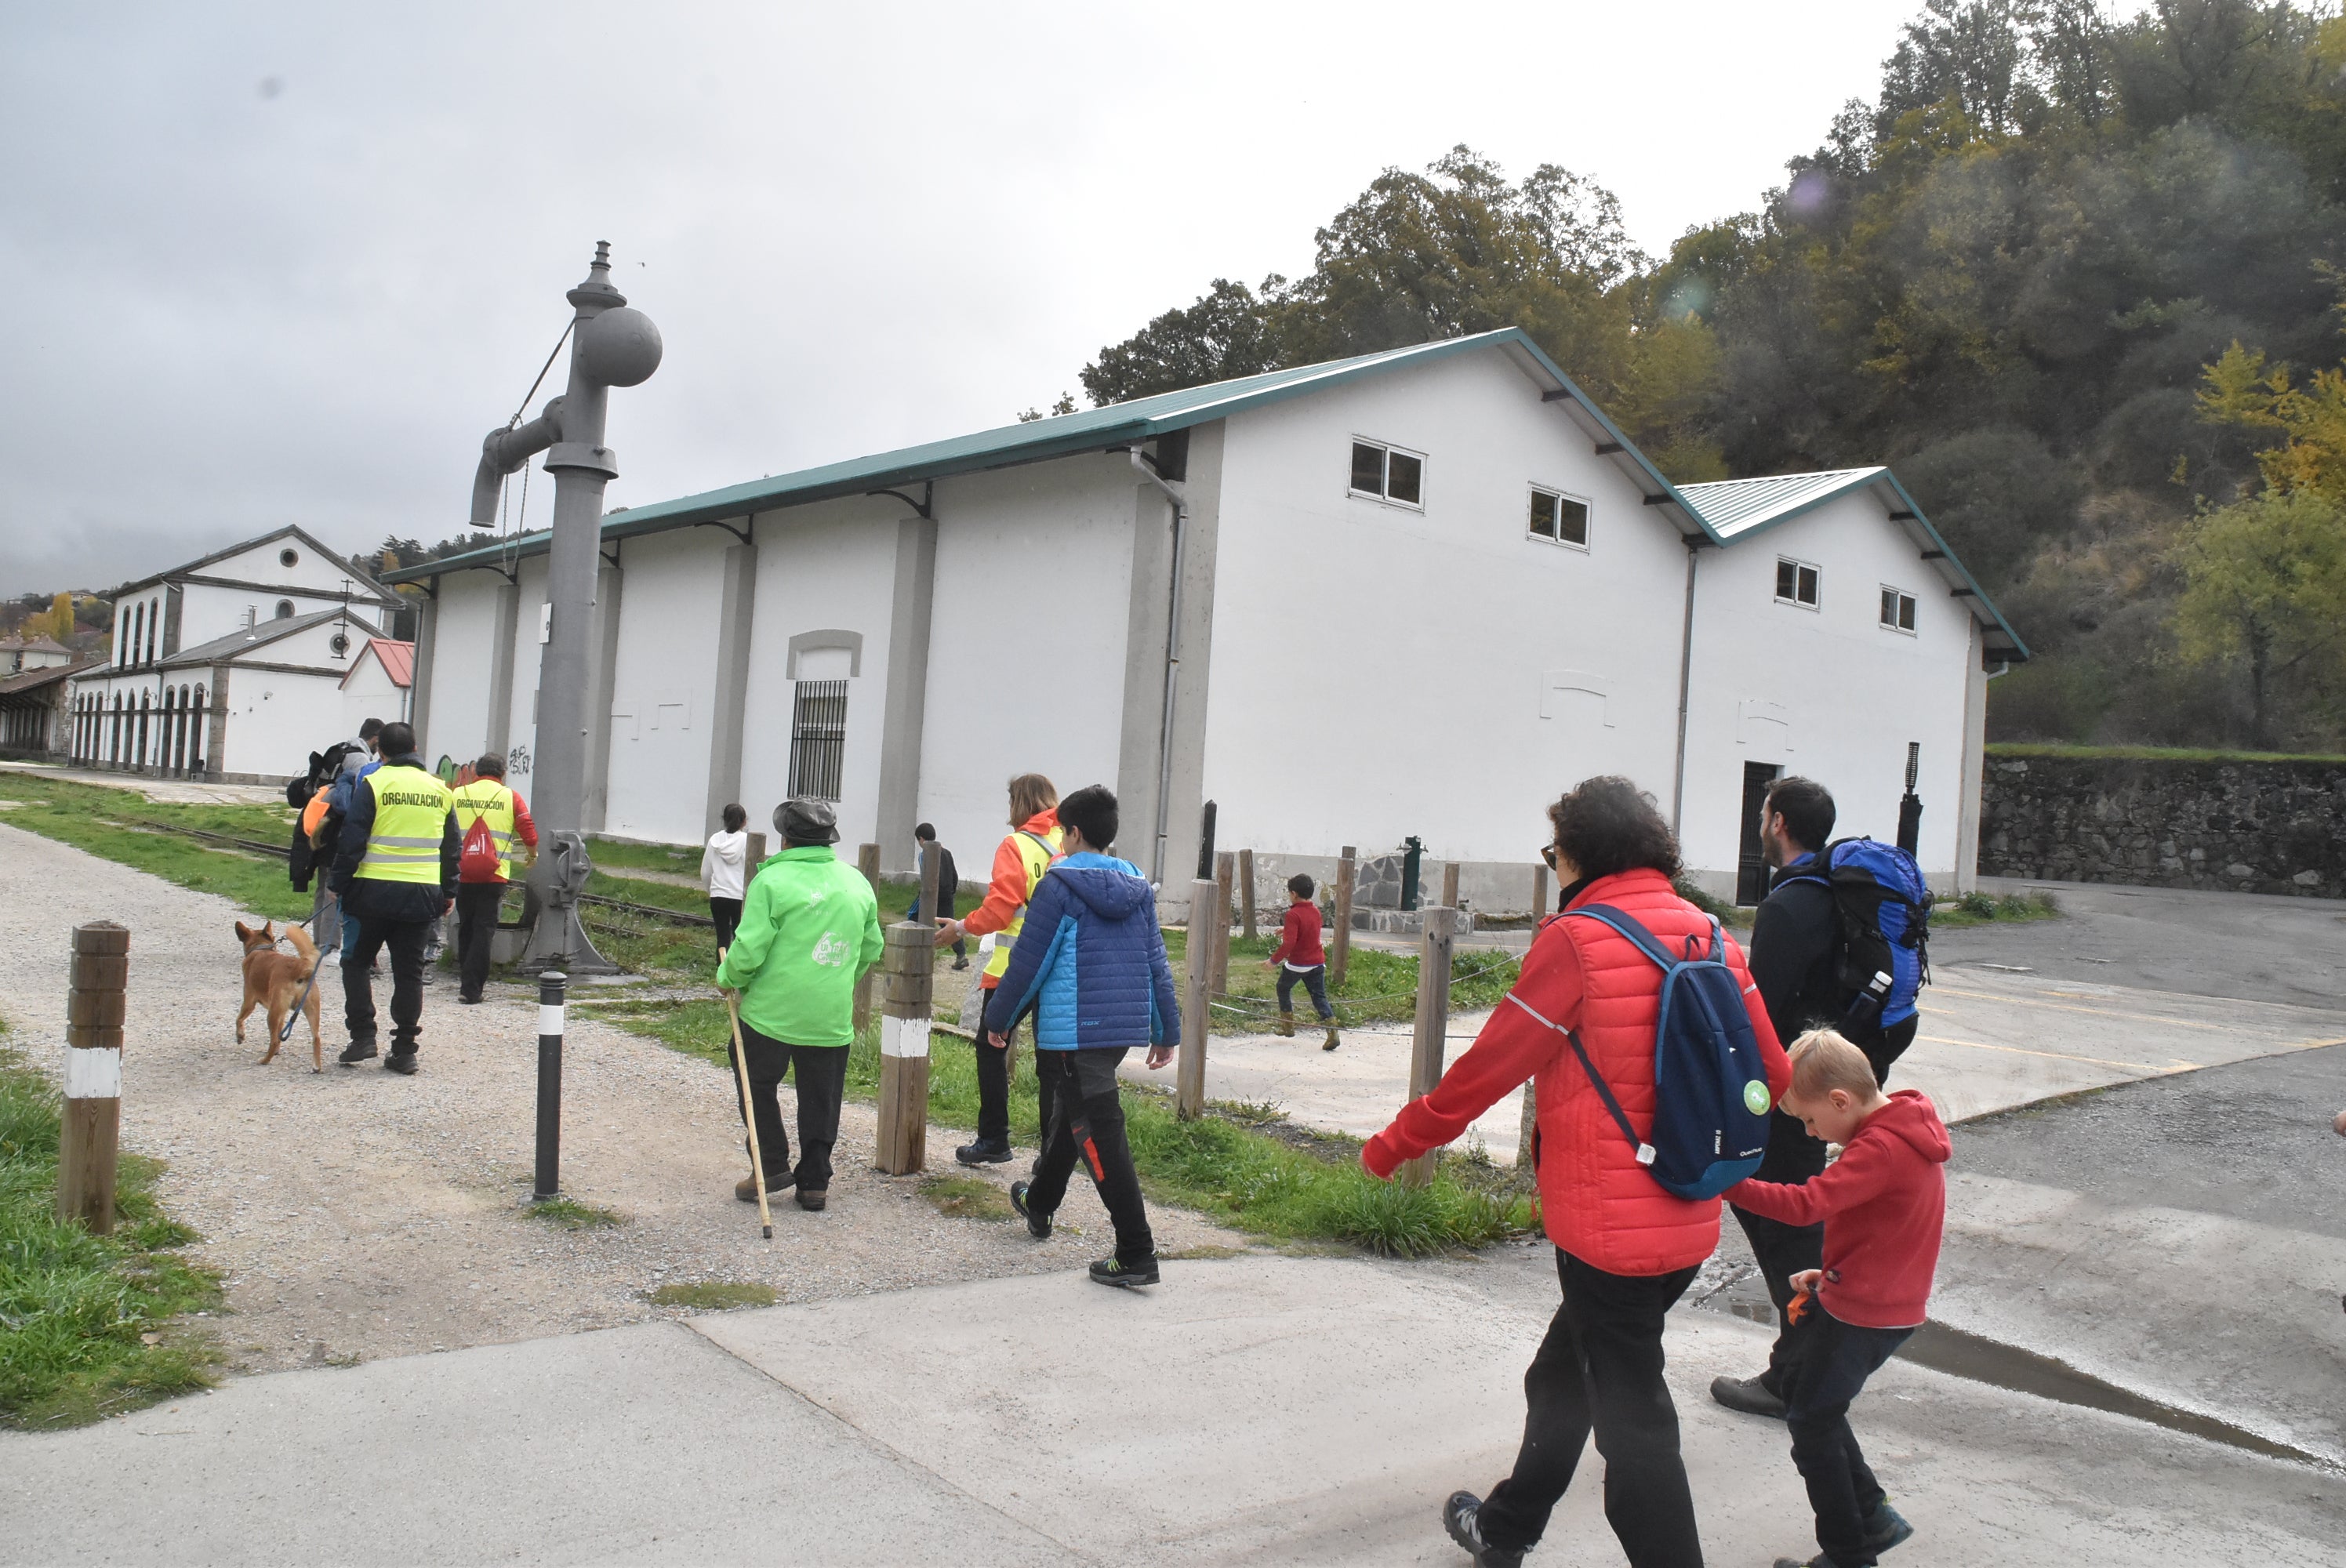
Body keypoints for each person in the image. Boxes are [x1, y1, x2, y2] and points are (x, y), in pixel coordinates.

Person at [1363, 776, 1789, 1568]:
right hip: (1688, 1213)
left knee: (1636, 1430)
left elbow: (1485, 1071)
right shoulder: (1711, 934)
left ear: (1579, 854)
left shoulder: (1576, 939)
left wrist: (1394, 1142)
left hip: (1605, 1233)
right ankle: (1505, 1526)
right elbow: (1774, 1072)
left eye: (1552, 851)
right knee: (1564, 1371)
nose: (1552, 864)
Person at [1714, 775, 1922, 1422]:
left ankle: (1797, 1375)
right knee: (1793, 1220)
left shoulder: (1790, 905)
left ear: (1776, 823)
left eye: (1764, 814)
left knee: (1786, 1224)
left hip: (1793, 1093)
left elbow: (1759, 1013)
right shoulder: (1839, 898)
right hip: (1842, 1084)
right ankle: (1808, 1359)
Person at [1727, 1030, 1949, 1568]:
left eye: (1808, 1121)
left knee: (1810, 1421)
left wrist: (1725, 1185)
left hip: (1866, 1314)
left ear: (1840, 1101)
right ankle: (1870, 1517)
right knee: (1815, 1403)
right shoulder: (1903, 1123)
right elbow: (1884, 1230)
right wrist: (1829, 1274)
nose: (1810, 1132)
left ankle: (1850, 1553)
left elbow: (1809, 1204)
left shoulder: (1879, 1147)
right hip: (1874, 1299)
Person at [992, 785, 1179, 1288]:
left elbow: (1029, 963)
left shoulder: (1060, 886)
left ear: (1074, 832)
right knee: (1070, 1117)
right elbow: (1156, 963)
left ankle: (1136, 1250)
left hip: (1074, 1033)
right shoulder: (1138, 886)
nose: (1061, 841)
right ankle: (1040, 1201)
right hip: (1117, 1031)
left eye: (1062, 833)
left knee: (1097, 1129)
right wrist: (1166, 1030)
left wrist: (999, 1020)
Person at [713, 797, 883, 1213]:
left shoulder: (770, 883)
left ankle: (770, 1164)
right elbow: (871, 946)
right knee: (821, 1096)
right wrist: (838, 977)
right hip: (829, 1014)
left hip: (770, 1013)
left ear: (785, 839)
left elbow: (749, 950)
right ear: (829, 839)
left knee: (755, 1080)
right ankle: (814, 1183)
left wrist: (728, 978)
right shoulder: (856, 883)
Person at [933, 773, 1062, 1166]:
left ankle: (994, 1139)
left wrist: (960, 927)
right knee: (1052, 1061)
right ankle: (1051, 1154)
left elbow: (1000, 909)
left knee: (991, 1046)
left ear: (1017, 803)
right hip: (1059, 968)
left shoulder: (1016, 845)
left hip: (1015, 968)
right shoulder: (1071, 841)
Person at [328, 721, 456, 1074]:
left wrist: (338, 882)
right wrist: (449, 892)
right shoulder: (440, 790)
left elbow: (353, 839)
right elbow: (450, 848)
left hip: (370, 893)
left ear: (380, 752)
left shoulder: (374, 783)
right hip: (421, 897)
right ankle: (404, 1051)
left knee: (355, 963)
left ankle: (363, 1037)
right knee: (409, 974)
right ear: (415, 746)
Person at [448, 753, 537, 1005]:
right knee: (484, 929)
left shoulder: (458, 794)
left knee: (466, 923)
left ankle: (465, 974)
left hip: (461, 872)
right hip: (494, 874)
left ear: (476, 772)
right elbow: (529, 832)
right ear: (503, 773)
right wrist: (532, 856)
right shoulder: (510, 797)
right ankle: (472, 988)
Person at [1264, 872, 1338, 1050]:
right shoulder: (1315, 911)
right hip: (1317, 962)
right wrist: (1287, 929)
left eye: (1289, 893)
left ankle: (1287, 1026)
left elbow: (1289, 943)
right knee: (1319, 997)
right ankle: (1332, 1032)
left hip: (1298, 964)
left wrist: (1273, 961)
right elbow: (1308, 930)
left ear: (1294, 894)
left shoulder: (1293, 914)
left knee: (1283, 987)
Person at [907, 822, 966, 970]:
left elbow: (925, 876)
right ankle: (961, 955)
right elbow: (954, 875)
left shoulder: (924, 855)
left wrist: (924, 894)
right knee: (950, 925)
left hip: (931, 894)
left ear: (921, 839)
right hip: (947, 894)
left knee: (913, 916)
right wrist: (952, 891)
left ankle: (917, 950)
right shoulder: (947, 852)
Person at [703, 803, 750, 953]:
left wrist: (712, 890)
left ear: (724, 819)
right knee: (740, 939)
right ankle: (736, 972)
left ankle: (720, 972)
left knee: (722, 939)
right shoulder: (748, 841)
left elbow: (705, 872)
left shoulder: (715, 840)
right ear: (744, 821)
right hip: (739, 897)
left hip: (718, 895)